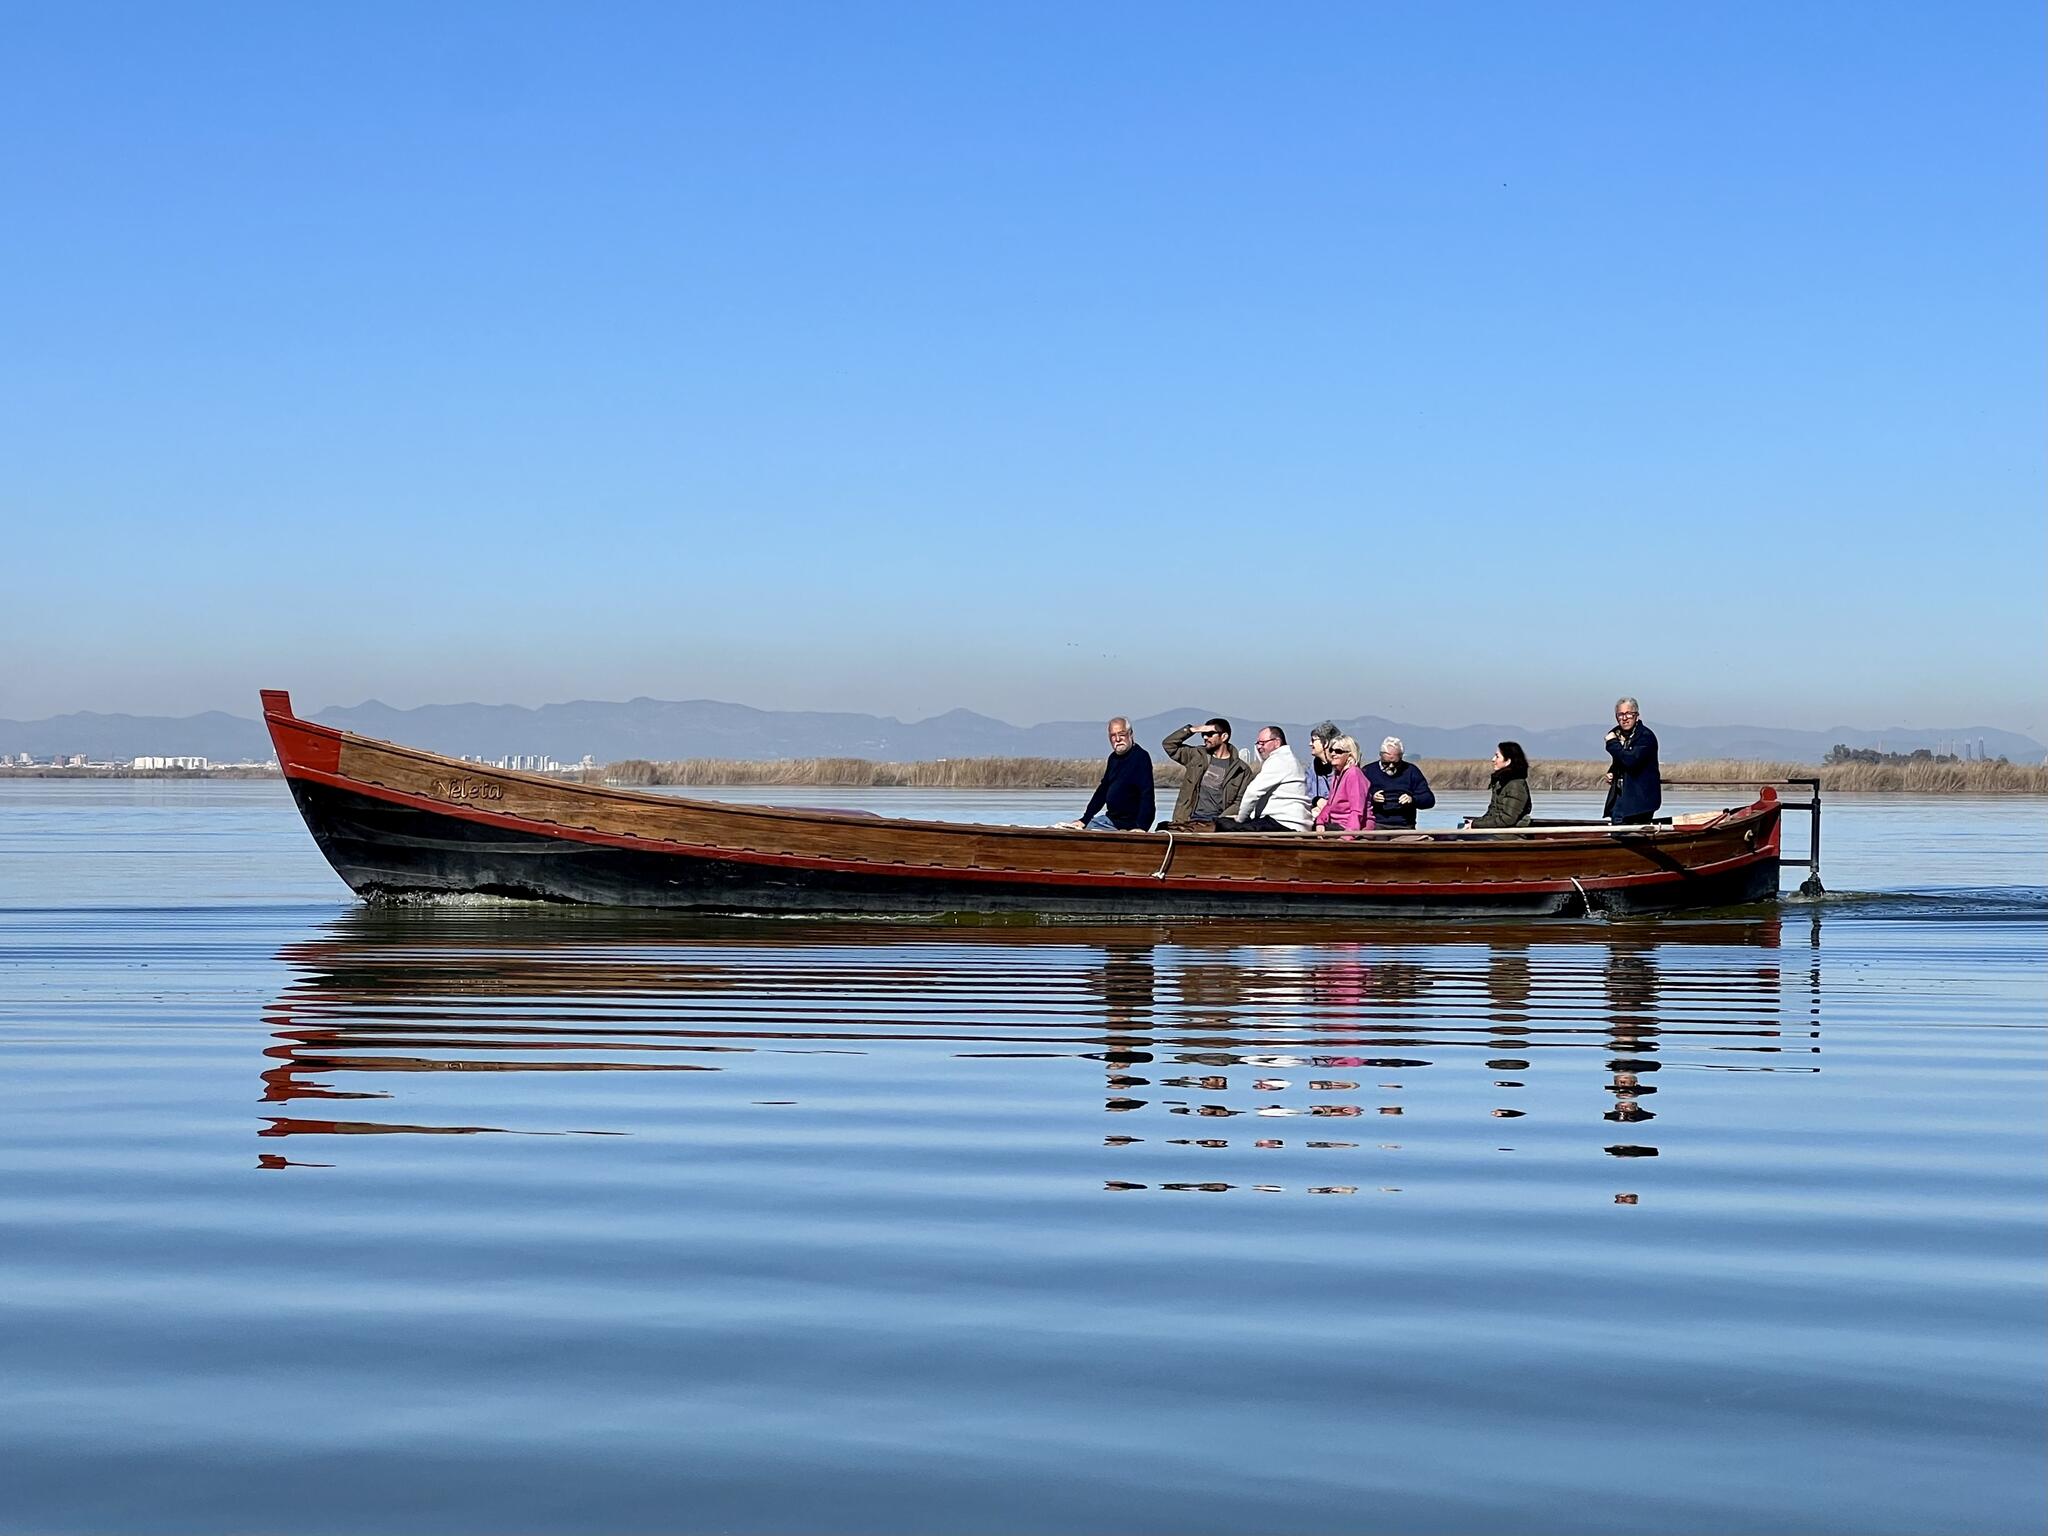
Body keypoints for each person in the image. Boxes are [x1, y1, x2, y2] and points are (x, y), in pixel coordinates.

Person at [1057, 717, 1155, 831]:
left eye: (1121, 734)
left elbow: (1147, 793)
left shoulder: (1141, 757)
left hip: (1130, 824)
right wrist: (1085, 819)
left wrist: (1142, 827)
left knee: (1090, 830)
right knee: (1073, 829)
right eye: (1113, 735)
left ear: (1130, 734)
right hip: (1110, 820)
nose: (1117, 739)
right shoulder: (1113, 758)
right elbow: (1103, 790)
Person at [1160, 718, 1256, 830]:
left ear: (1224, 737)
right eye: (1203, 734)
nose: (1205, 737)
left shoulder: (1242, 770)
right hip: (1187, 821)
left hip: (1217, 825)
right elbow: (1169, 745)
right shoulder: (1196, 756)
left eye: (1210, 734)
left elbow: (1240, 802)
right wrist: (1192, 729)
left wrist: (1220, 822)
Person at [1217, 726, 1312, 831]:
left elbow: (1252, 793)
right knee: (1227, 822)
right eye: (1258, 743)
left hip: (1285, 823)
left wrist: (1241, 819)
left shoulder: (1279, 761)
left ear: (1277, 742)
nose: (1259, 747)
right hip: (1285, 821)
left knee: (1223, 824)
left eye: (1263, 743)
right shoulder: (1289, 760)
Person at [1604, 698, 1661, 825]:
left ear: (1636, 715)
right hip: (1620, 800)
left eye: (1629, 714)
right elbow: (1621, 760)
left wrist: (1612, 744)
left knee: (1632, 838)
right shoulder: (1618, 735)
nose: (1625, 718)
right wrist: (1612, 772)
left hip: (1640, 803)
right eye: (1621, 715)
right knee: (1616, 835)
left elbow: (1631, 760)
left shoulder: (1645, 737)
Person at [1362, 736, 1435, 829]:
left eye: (1396, 763)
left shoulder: (1411, 771)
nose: (1391, 766)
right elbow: (1356, 799)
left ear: (1401, 757)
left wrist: (1412, 799)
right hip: (1376, 825)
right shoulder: (1368, 771)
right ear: (1380, 756)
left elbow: (1429, 800)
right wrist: (1371, 798)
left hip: (1404, 826)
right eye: (1386, 763)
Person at [1462, 741, 1533, 828]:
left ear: (1508, 761)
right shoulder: (1500, 783)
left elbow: (1508, 819)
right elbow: (1491, 814)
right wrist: (1473, 823)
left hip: (1511, 834)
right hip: (1498, 831)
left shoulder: (1515, 785)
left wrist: (1475, 825)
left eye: (1497, 756)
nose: (1493, 759)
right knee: (1461, 827)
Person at [1313, 735, 1370, 833]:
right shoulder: (1337, 774)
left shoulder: (1354, 774)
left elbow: (1357, 811)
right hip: (1335, 825)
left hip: (1350, 828)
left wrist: (1347, 837)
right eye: (1331, 750)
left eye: (1339, 751)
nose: (1333, 754)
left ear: (1350, 755)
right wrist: (1320, 822)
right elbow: (1329, 805)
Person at [1305, 720, 1340, 820]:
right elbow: (1305, 792)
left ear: (1326, 742)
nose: (1310, 744)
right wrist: (1315, 801)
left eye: (1313, 740)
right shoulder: (1312, 769)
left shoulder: (1343, 769)